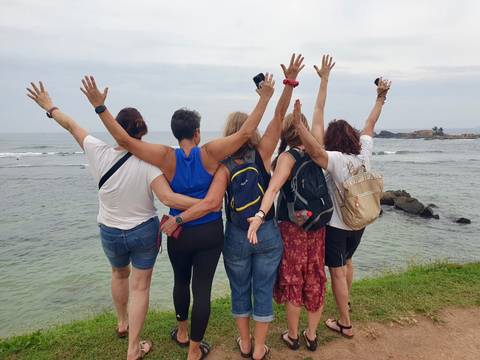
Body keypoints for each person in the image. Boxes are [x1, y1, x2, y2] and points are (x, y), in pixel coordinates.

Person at [80, 74, 275, 360]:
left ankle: (182, 332)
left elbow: (122, 139)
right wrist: (265, 98)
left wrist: (99, 107)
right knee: (203, 289)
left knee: (180, 282)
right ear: (197, 133)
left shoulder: (164, 156)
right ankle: (194, 350)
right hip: (208, 233)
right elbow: (246, 134)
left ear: (175, 133)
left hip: (177, 232)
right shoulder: (209, 153)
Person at [26, 81, 201, 360]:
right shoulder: (150, 164)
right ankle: (134, 348)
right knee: (140, 286)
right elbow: (169, 199)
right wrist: (206, 204)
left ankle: (122, 323)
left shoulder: (98, 151)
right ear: (141, 131)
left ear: (117, 128)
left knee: (119, 274)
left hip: (109, 229)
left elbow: (70, 125)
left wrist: (49, 106)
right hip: (143, 231)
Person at [161, 54, 304, 360]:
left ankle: (244, 342)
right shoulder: (264, 153)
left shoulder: (222, 166)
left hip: (237, 235)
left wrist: (179, 215)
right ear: (251, 131)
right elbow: (279, 117)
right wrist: (288, 84)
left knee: (240, 289)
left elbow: (211, 203)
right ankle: (260, 348)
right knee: (262, 288)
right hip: (266, 232)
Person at [289, 74, 392, 338]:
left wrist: (299, 125)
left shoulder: (335, 159)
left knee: (336, 271)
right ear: (352, 137)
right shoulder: (363, 153)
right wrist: (380, 97)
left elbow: (315, 151)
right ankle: (345, 303)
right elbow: (370, 122)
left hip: (337, 226)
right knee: (347, 262)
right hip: (360, 221)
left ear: (333, 140)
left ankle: (344, 322)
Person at [246, 55, 335, 353]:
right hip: (317, 226)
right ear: (305, 128)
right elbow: (320, 110)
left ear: (286, 132)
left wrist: (259, 215)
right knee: (314, 276)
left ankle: (293, 336)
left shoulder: (286, 158)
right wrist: (324, 80)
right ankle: (312, 335)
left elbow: (272, 190)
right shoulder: (318, 150)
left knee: (295, 279)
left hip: (293, 228)